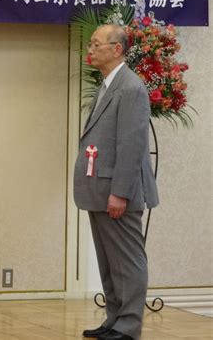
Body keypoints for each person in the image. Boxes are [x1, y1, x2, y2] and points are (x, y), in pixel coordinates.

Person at [73, 24, 159, 340]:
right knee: (109, 261)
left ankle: (129, 324)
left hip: (118, 192)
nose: (90, 49)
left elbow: (132, 145)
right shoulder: (109, 84)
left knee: (127, 260)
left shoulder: (131, 88)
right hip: (99, 189)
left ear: (117, 49)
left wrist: (120, 192)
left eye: (96, 44)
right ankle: (114, 319)